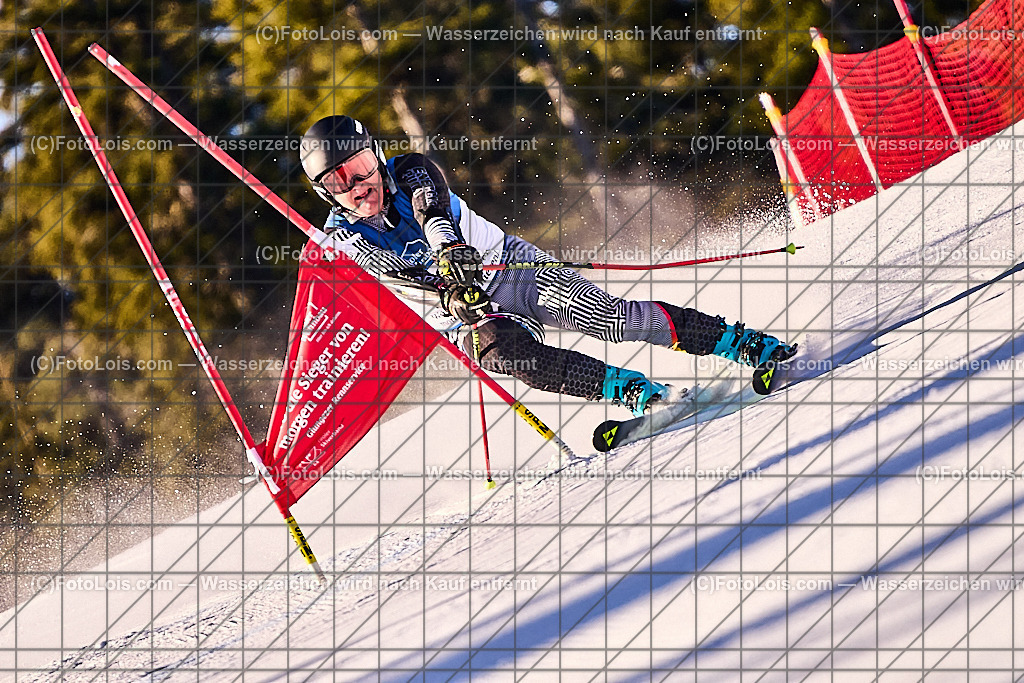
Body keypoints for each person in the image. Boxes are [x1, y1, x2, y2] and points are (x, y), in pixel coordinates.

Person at [299, 116, 795, 417]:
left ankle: (741, 343)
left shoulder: (410, 171)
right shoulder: (342, 238)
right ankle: (634, 391)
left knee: (611, 319)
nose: (358, 185)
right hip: (465, 313)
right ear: (325, 192)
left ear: (376, 156)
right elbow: (397, 272)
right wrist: (451, 292)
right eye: (339, 180)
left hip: (510, 270)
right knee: (511, 358)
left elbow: (434, 216)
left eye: (361, 166)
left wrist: (452, 253)